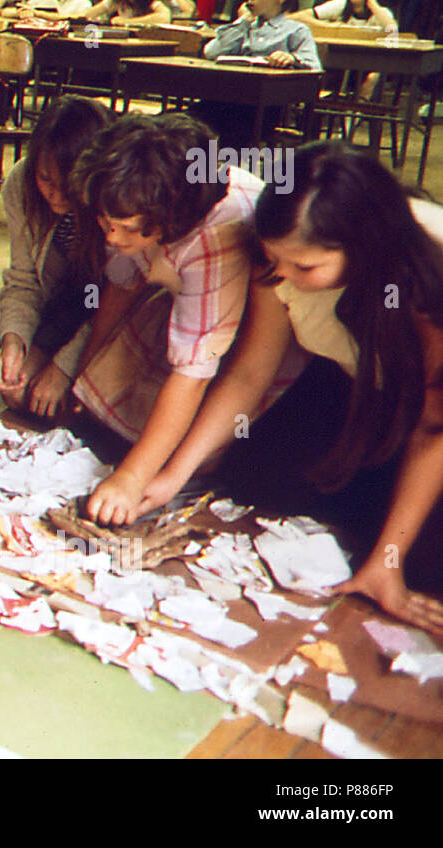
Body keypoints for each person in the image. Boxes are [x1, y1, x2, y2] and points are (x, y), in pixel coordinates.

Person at [139, 143, 443, 634]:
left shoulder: (428, 272)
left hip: (430, 419)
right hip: (355, 386)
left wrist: (389, 558)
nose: (281, 275)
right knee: (255, 479)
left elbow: (434, 427)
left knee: (423, 564)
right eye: (274, 259)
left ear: (364, 247)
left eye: (303, 267)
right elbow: (248, 373)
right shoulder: (279, 254)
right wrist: (174, 474)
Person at [68, 113, 265, 526]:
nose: (110, 237)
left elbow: (194, 373)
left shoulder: (216, 233)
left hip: (251, 333)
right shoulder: (133, 197)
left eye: (123, 229)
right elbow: (121, 286)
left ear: (167, 222)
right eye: (105, 224)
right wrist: (85, 371)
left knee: (196, 456)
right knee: (101, 421)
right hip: (186, 301)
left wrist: (131, 478)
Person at [0, 96, 114, 416]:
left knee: (81, 407)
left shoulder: (114, 195)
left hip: (112, 315)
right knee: (18, 393)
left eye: (68, 185)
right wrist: (13, 340)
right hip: (64, 307)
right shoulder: (21, 183)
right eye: (45, 179)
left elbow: (119, 300)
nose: (55, 195)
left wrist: (62, 368)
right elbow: (23, 280)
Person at [201, 0, 322, 145]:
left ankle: (228, 169)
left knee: (236, 131)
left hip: (265, 107)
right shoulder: (244, 27)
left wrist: (291, 58)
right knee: (190, 121)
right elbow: (211, 52)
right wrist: (242, 21)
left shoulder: (295, 30)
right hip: (227, 97)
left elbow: (314, 67)